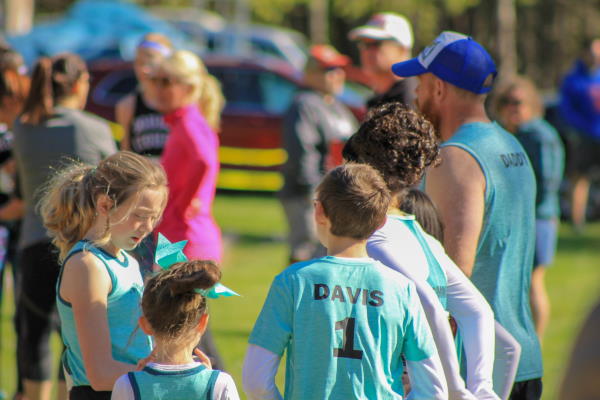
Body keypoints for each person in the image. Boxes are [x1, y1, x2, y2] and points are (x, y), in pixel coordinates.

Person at [393, 31, 542, 399]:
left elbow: (452, 275)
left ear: (439, 87)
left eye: (421, 82)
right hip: (520, 356)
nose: (415, 92)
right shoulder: (510, 145)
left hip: (477, 369)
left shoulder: (456, 158)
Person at [243, 163, 447, 399]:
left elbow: (255, 380)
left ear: (319, 211)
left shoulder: (293, 282)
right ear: (382, 221)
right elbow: (433, 391)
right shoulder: (401, 290)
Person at [343, 102, 499, 400]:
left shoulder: (373, 240)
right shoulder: (424, 239)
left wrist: (455, 389)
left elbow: (429, 305)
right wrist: (481, 387)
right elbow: (478, 311)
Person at [12, 53, 117, 400]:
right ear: (77, 84)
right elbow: (114, 186)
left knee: (34, 334)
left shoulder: (23, 127)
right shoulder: (94, 128)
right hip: (78, 248)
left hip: (31, 241)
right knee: (74, 335)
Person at [39, 151, 168, 399]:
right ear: (105, 205)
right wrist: (170, 381)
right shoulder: (88, 265)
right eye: (140, 215)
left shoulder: (127, 261)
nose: (148, 226)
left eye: (153, 217)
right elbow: (99, 374)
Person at [150, 50, 226, 369]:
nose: (157, 88)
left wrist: (181, 204)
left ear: (187, 86)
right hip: (180, 237)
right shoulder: (188, 121)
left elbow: (202, 160)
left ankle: (222, 387)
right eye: (156, 80)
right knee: (184, 333)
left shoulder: (189, 122)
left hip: (183, 241)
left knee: (188, 335)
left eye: (166, 81)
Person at [494, 76, 565, 342]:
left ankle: (536, 341)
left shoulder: (538, 135)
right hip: (528, 218)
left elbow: (547, 181)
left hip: (539, 219)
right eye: (505, 102)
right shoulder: (518, 134)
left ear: (532, 104)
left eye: (517, 103)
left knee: (533, 283)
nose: (511, 108)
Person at [111, 259, 240, 400]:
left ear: (145, 325)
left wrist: (137, 380)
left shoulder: (127, 385)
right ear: (202, 323)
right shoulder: (220, 384)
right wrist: (211, 380)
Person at [279, 44, 358, 263]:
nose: (337, 76)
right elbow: (303, 153)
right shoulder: (304, 104)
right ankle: (295, 297)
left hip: (334, 196)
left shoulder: (336, 105)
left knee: (328, 256)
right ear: (309, 74)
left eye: (339, 69)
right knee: (307, 255)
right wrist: (313, 196)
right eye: (328, 70)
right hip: (309, 196)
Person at [0, 46, 29, 400]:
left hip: (20, 225)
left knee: (26, 315)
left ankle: (25, 389)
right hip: (7, 219)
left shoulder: (22, 122)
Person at [558, 38, 600, 233]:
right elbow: (566, 110)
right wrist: (581, 129)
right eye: (593, 51)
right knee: (580, 178)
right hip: (584, 137)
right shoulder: (573, 78)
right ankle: (577, 222)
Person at [115, 33, 173, 159]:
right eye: (139, 63)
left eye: (150, 62)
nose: (144, 69)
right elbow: (126, 154)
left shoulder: (178, 102)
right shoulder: (128, 105)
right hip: (146, 176)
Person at [348, 12, 417, 109]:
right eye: (364, 44)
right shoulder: (379, 100)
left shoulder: (412, 100)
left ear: (402, 49)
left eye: (376, 44)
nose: (367, 52)